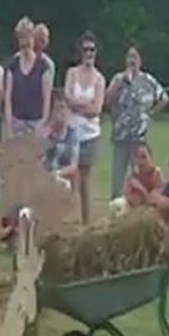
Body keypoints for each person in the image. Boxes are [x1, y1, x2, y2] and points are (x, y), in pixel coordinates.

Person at [106, 43, 169, 199]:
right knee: (117, 182)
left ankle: (138, 213)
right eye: (129, 56)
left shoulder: (148, 81)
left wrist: (151, 114)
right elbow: (107, 100)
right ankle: (116, 209)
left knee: (140, 180)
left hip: (140, 141)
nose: (131, 60)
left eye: (135, 56)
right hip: (121, 137)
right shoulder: (118, 78)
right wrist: (120, 83)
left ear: (140, 60)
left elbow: (164, 98)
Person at [65, 31, 106, 224]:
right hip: (72, 134)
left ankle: (87, 222)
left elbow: (96, 109)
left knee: (86, 181)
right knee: (72, 178)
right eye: (85, 50)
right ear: (80, 52)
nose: (89, 53)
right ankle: (72, 220)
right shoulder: (72, 73)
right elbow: (67, 98)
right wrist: (84, 105)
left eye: (92, 50)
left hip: (90, 135)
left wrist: (78, 105)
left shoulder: (99, 79)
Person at [5, 17, 53, 138]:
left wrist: (43, 123)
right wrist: (9, 125)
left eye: (27, 37)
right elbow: (8, 99)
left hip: (36, 123)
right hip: (17, 123)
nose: (25, 42)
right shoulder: (13, 65)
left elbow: (47, 99)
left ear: (33, 38)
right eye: (21, 37)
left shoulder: (44, 66)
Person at [41, 90, 80, 192]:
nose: (63, 112)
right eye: (59, 108)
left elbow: (73, 165)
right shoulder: (44, 133)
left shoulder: (72, 134)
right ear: (52, 112)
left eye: (66, 108)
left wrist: (57, 174)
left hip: (61, 176)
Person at [123, 143, 163, 208]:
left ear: (151, 157)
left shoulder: (156, 173)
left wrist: (142, 190)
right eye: (138, 157)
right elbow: (126, 195)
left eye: (144, 157)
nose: (141, 161)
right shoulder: (134, 174)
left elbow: (158, 197)